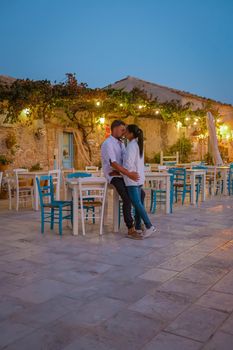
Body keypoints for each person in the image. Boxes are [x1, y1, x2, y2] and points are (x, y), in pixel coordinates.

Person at [101, 120, 143, 239]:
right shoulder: (107, 144)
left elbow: (125, 161)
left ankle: (139, 224)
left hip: (122, 174)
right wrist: (128, 174)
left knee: (141, 193)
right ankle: (130, 228)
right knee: (127, 197)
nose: (124, 132)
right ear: (114, 129)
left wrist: (126, 172)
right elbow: (113, 163)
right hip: (113, 175)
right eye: (122, 129)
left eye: (125, 130)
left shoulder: (121, 143)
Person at [123, 124, 156, 238]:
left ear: (131, 133)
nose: (124, 133)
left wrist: (122, 171)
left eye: (126, 132)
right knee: (138, 203)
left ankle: (149, 226)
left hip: (132, 178)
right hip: (138, 178)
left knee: (137, 203)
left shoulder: (131, 146)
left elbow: (128, 164)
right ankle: (137, 227)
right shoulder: (137, 144)